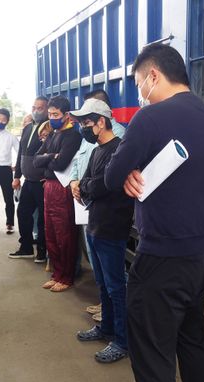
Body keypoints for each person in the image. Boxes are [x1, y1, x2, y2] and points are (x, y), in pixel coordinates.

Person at [104, 43, 204, 382]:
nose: (140, 92)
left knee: (153, 354)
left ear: (153, 76)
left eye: (140, 83)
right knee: (192, 338)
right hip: (203, 253)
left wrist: (128, 172)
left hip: (163, 259)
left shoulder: (150, 117)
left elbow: (112, 177)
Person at [69, 98, 133, 364]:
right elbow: (88, 181)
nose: (83, 127)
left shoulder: (119, 150)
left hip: (112, 227)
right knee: (103, 284)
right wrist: (84, 186)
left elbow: (102, 185)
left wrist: (85, 187)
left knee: (116, 286)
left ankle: (122, 340)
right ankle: (106, 327)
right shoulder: (97, 150)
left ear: (101, 122)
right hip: (95, 224)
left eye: (87, 122)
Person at [33, 95, 82, 292]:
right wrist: (51, 156)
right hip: (49, 188)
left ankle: (67, 277)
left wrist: (48, 159)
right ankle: (57, 273)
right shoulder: (53, 135)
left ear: (66, 115)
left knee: (65, 234)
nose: (52, 118)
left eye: (56, 114)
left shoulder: (73, 137)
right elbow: (35, 160)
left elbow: (61, 164)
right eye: (50, 114)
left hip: (62, 189)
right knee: (51, 232)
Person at [9, 96, 48, 262]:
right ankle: (26, 247)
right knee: (23, 212)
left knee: (43, 219)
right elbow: (21, 154)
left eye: (40, 108)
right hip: (28, 181)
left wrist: (48, 176)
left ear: (47, 110)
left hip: (42, 182)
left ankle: (42, 251)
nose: (36, 111)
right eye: (34, 108)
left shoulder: (48, 129)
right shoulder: (27, 128)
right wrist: (17, 176)